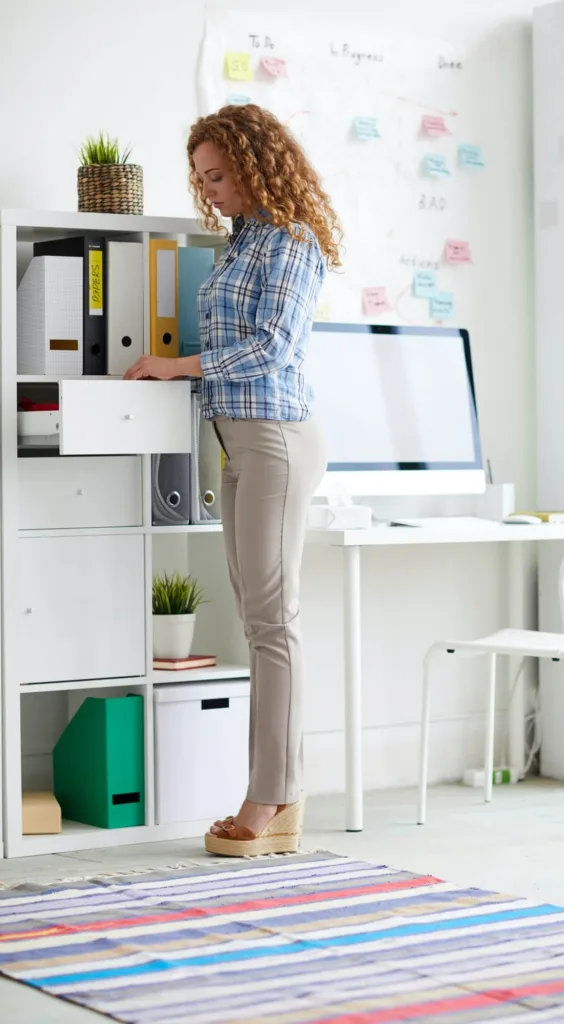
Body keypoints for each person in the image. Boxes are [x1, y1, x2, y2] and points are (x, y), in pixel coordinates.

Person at [124, 104, 342, 856]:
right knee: (260, 623)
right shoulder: (241, 242)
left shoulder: (291, 240)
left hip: (276, 440)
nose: (209, 190)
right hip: (236, 443)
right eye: (202, 178)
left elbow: (274, 350)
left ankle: (270, 796)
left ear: (254, 165)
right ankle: (280, 792)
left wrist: (176, 366)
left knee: (274, 624)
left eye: (218, 175)